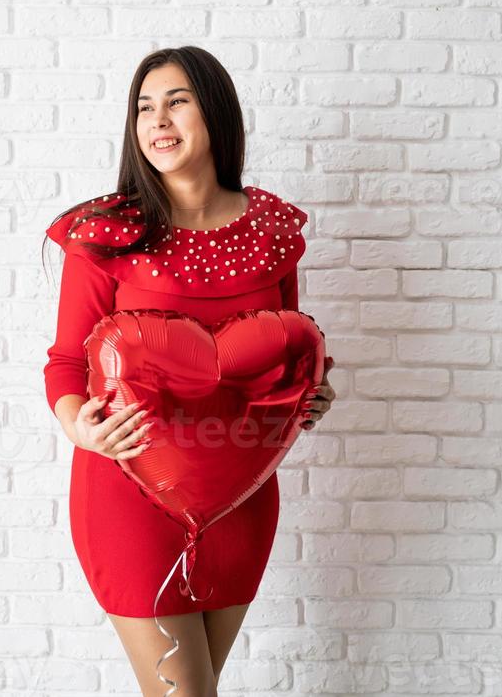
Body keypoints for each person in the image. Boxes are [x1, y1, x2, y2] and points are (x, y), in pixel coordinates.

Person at [41, 45, 336, 696]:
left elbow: (282, 355)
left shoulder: (270, 233)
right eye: (144, 107)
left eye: (176, 101)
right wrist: (80, 429)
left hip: (242, 494)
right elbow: (64, 363)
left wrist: (310, 396)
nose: (157, 120)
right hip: (127, 492)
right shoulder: (107, 233)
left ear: (216, 112)